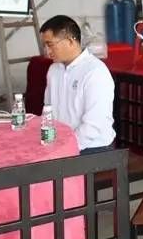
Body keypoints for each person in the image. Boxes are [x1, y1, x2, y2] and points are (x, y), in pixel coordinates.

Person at [40, 15, 115, 154]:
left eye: (50, 45)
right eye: (44, 45)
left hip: (93, 148)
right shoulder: (54, 70)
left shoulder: (95, 72)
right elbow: (47, 110)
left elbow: (93, 125)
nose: (47, 51)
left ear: (70, 41)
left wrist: (66, 149)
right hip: (61, 143)